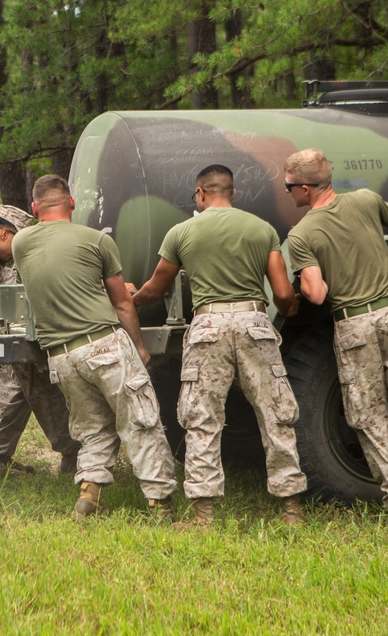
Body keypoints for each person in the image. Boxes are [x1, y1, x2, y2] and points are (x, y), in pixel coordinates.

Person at [131, 164, 308, 528]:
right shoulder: (262, 229)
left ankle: (203, 515)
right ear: (233, 192)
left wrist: (131, 298)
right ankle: (291, 510)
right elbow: (281, 292)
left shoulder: (181, 232)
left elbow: (156, 287)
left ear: (200, 193)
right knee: (276, 415)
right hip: (253, 323)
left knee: (201, 418)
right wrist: (290, 307)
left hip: (207, 325)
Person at [284, 147, 388, 524]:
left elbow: (316, 293)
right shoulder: (366, 199)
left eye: (289, 186)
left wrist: (295, 294)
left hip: (354, 325)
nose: (287, 191)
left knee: (369, 418)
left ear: (306, 189)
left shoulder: (302, 234)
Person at [12, 174, 177, 520]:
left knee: (93, 428)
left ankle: (89, 495)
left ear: (33, 208)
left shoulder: (21, 243)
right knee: (141, 421)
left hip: (62, 356)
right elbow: (122, 303)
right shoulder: (95, 240)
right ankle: (160, 503)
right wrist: (138, 348)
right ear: (71, 203)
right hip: (102, 344)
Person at [0, 204, 80, 478]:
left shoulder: (4, 263)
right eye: (19, 240)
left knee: (34, 377)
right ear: (4, 233)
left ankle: (63, 451)